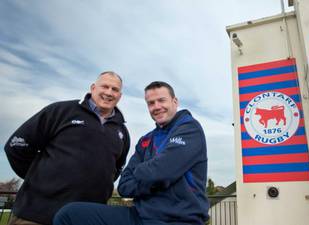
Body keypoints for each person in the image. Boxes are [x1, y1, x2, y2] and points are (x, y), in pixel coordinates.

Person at [53, 81, 209, 225]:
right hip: (139, 215)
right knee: (69, 214)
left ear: (174, 102)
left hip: (177, 220)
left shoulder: (189, 128)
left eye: (161, 100)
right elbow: (124, 186)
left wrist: (142, 172)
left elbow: (160, 172)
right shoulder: (146, 140)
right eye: (151, 103)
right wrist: (157, 179)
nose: (156, 107)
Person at [4, 71, 131, 225]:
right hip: (36, 215)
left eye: (115, 89)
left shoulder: (122, 131)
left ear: (120, 96)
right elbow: (16, 148)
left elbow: (116, 170)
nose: (109, 92)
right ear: (93, 88)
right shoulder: (60, 111)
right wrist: (42, 179)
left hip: (85, 219)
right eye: (105, 86)